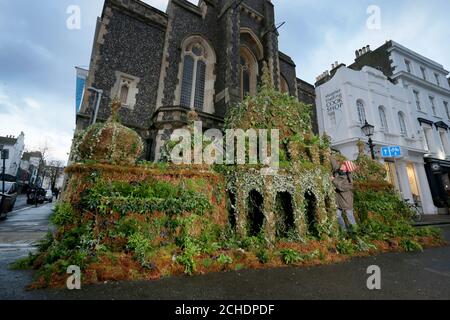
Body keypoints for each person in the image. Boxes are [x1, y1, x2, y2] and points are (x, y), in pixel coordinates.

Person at [331, 158, 357, 233]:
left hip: (347, 202)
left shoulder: (348, 181)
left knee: (350, 217)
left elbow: (340, 186)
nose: (342, 165)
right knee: (337, 216)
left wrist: (333, 180)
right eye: (343, 164)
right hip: (339, 201)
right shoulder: (339, 171)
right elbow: (335, 164)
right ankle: (344, 230)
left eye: (344, 165)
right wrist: (329, 154)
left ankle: (355, 232)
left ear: (346, 169)